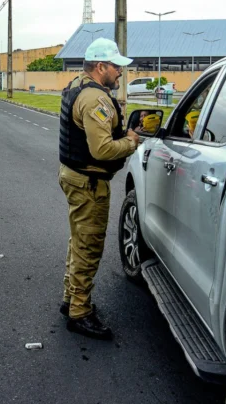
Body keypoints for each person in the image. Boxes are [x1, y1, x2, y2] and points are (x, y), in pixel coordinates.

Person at [58, 38, 140, 340]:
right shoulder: (95, 100)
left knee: (78, 241)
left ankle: (71, 299)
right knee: (88, 247)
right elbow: (102, 149)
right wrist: (131, 141)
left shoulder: (77, 85)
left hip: (74, 176)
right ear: (101, 66)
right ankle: (80, 313)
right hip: (88, 183)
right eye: (116, 67)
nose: (120, 72)